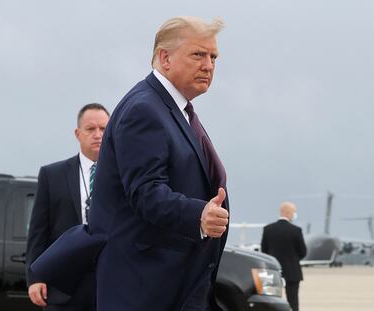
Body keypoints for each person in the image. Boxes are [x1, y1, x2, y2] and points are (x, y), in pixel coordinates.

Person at [85, 16, 229, 310]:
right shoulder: (144, 109)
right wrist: (198, 214)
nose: (208, 65)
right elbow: (145, 192)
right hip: (146, 288)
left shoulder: (175, 109)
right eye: (198, 54)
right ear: (165, 57)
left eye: (213, 56)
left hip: (170, 284)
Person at [26, 103, 110, 311]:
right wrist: (34, 277)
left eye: (103, 129)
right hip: (63, 286)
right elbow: (38, 231)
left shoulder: (125, 175)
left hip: (111, 283)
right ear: (78, 133)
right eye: (91, 129)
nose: (98, 135)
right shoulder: (52, 175)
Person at [261, 202, 307, 311]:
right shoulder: (296, 230)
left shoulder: (268, 229)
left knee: (271, 302)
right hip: (292, 271)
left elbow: (264, 250)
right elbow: (303, 252)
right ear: (289, 213)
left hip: (272, 271)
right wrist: (293, 259)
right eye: (294, 212)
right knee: (293, 302)